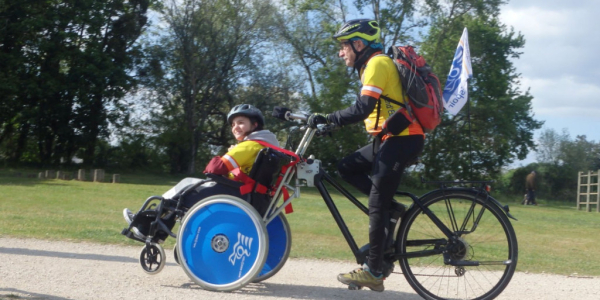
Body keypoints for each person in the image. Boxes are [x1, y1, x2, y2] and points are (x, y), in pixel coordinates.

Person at [307, 19, 424, 292]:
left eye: (344, 46)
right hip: (388, 139)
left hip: (402, 140)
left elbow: (362, 107)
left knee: (376, 203)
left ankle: (373, 270)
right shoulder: (371, 65)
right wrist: (330, 122)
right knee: (347, 167)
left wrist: (329, 118)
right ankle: (392, 211)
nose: (340, 53)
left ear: (359, 45)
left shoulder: (377, 64)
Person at [123, 104, 279, 239]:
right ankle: (155, 228)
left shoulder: (250, 145)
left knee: (184, 192)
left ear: (255, 125)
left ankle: (144, 224)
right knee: (187, 185)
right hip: (251, 196)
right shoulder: (266, 146)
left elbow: (215, 168)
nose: (235, 127)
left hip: (237, 194)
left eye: (241, 123)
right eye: (232, 124)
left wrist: (227, 153)